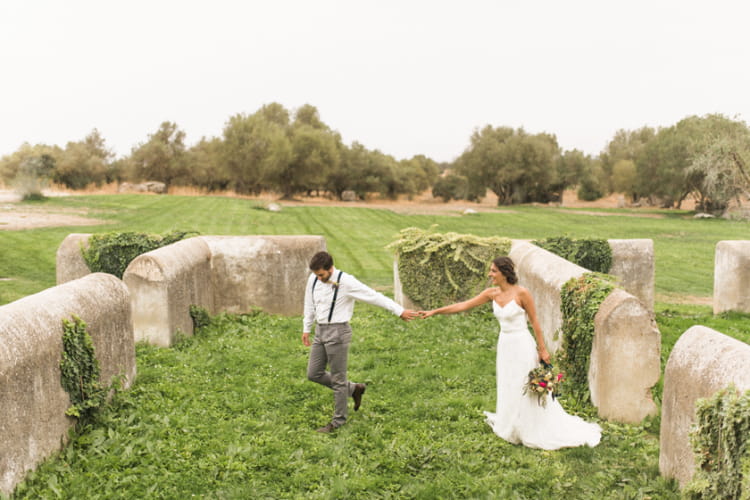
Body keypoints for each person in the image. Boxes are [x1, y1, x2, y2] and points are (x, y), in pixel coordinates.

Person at [419, 256, 601, 450]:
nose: (490, 274)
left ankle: (530, 426)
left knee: (524, 383)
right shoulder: (491, 293)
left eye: (493, 271)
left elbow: (535, 322)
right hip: (505, 344)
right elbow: (463, 305)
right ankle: (511, 423)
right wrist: (434, 311)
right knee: (508, 382)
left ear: (505, 273)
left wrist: (542, 349)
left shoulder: (522, 293)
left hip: (522, 343)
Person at [303, 251, 418, 433]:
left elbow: (373, 295)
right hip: (320, 330)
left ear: (330, 269)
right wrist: (306, 327)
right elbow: (309, 303)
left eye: (322, 275)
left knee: (338, 379)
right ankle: (354, 389)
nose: (318, 278)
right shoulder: (314, 279)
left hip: (338, 332)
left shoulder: (346, 281)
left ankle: (337, 422)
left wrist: (399, 311)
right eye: (316, 275)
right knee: (313, 373)